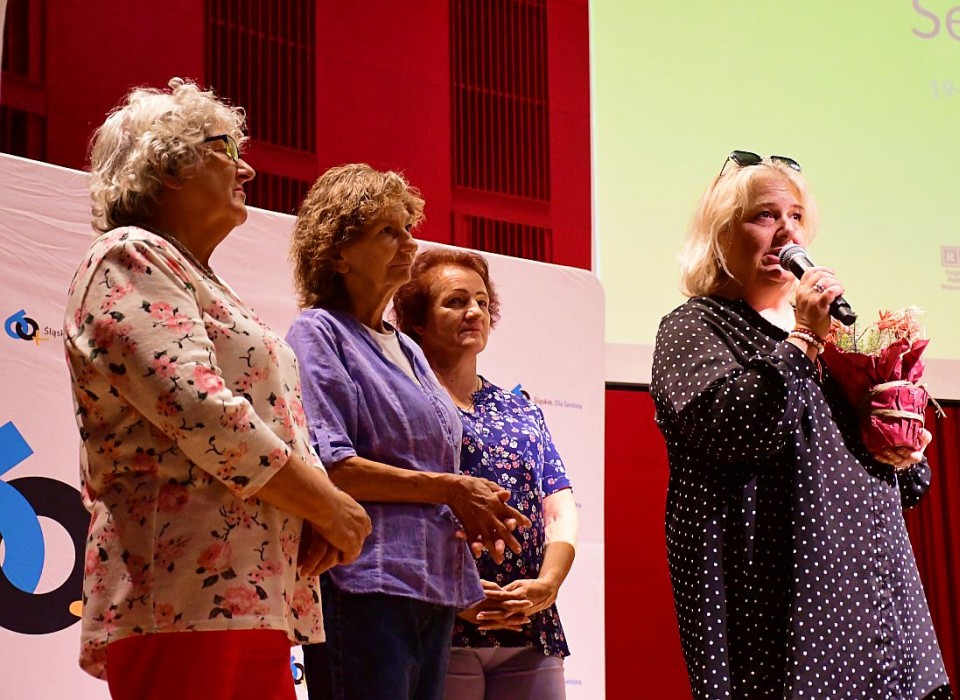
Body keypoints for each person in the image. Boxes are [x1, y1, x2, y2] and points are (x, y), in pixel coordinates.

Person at [64, 78, 372, 699]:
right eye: (225, 148)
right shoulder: (130, 255)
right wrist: (326, 504)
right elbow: (200, 408)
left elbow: (271, 417)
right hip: (177, 592)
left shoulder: (198, 277)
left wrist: (311, 511)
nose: (247, 168)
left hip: (250, 591)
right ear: (166, 165)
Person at [649, 150, 951, 699]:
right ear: (722, 235)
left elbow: (907, 486)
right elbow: (735, 429)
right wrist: (804, 338)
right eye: (765, 215)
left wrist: (902, 448)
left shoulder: (836, 345)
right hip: (780, 611)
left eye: (796, 217)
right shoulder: (695, 326)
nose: (786, 231)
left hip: (875, 607)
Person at [285, 164, 532, 700]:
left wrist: (473, 520)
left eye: (406, 228)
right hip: (364, 584)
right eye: (387, 232)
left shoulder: (409, 350)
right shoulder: (319, 333)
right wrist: (451, 490)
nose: (410, 243)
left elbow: (433, 467)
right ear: (338, 253)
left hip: (431, 591)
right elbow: (331, 468)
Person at [392, 249, 578, 700]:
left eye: (481, 301)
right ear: (417, 320)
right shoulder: (403, 401)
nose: (474, 312)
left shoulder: (521, 409)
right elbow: (398, 515)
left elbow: (559, 507)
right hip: (439, 622)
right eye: (455, 302)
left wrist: (547, 586)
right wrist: (460, 595)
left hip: (529, 627)